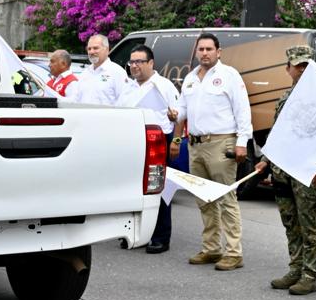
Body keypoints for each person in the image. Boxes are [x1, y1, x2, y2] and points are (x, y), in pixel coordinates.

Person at [253, 46, 316, 295]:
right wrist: (266, 159)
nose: (302, 70)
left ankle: (310, 275)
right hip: (282, 169)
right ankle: (295, 268)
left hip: (307, 169)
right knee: (290, 222)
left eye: (307, 65)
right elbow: (279, 135)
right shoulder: (285, 98)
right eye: (298, 65)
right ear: (288, 69)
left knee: (308, 225)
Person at [172, 33, 253, 271]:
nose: (204, 53)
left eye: (209, 49)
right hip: (195, 145)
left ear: (219, 51)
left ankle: (233, 252)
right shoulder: (190, 78)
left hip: (222, 143)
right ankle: (211, 248)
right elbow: (182, 111)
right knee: (204, 199)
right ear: (196, 52)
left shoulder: (229, 75)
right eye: (201, 49)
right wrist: (174, 118)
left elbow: (242, 111)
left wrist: (242, 142)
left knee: (226, 198)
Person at [122, 44, 181, 254]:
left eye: (139, 61)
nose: (135, 66)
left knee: (159, 190)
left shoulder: (163, 86)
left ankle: (160, 237)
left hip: (157, 143)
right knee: (134, 190)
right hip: (133, 142)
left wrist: (176, 141)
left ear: (150, 63)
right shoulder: (128, 87)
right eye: (132, 62)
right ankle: (137, 234)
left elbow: (179, 115)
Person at [77, 34, 127, 106]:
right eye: (89, 49)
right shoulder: (84, 74)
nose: (91, 52)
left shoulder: (117, 72)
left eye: (95, 48)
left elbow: (124, 103)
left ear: (107, 49)